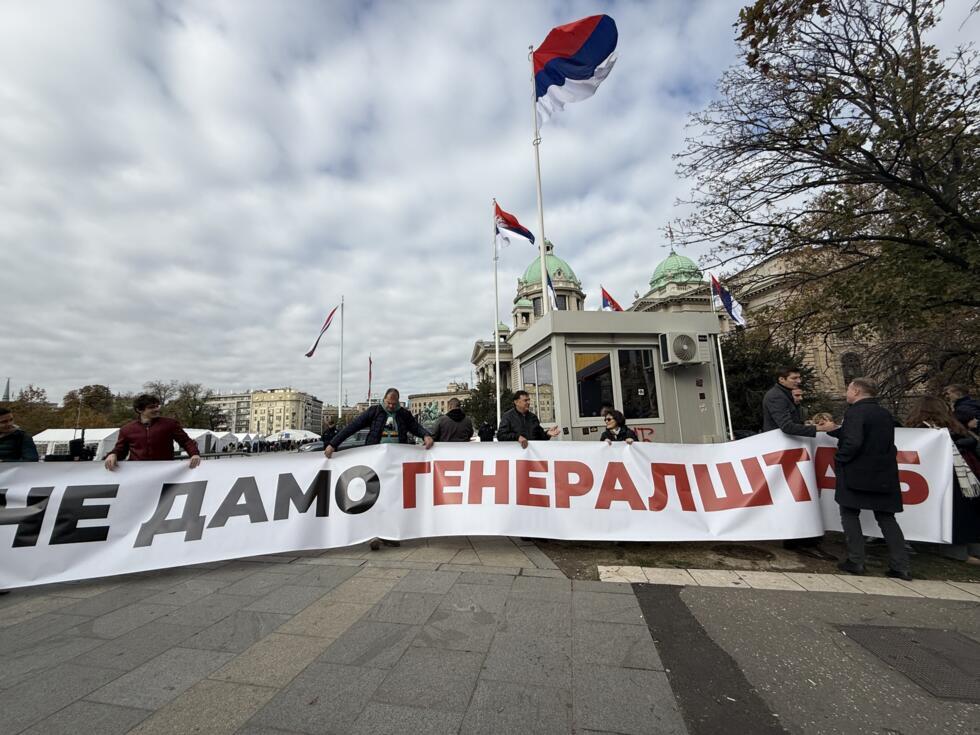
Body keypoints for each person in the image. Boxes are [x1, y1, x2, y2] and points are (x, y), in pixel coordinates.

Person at [819, 378, 911, 580]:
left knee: (850, 514)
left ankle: (856, 560)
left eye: (849, 389)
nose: (847, 392)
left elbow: (853, 440)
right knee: (886, 518)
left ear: (857, 391)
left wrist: (840, 459)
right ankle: (900, 565)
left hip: (856, 471)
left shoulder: (855, 412)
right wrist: (834, 429)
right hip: (883, 473)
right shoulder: (883, 413)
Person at [324, 388, 433, 551]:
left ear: (398, 402)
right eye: (388, 403)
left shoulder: (403, 414)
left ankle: (389, 534)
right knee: (374, 495)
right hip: (375, 461)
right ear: (384, 400)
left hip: (396, 461)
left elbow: (415, 427)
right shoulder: (374, 411)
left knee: (393, 497)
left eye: (394, 404)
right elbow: (353, 427)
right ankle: (373, 534)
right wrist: (333, 444)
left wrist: (426, 435)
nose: (390, 406)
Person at [762, 367, 833, 558]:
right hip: (784, 452)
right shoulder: (777, 397)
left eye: (799, 377)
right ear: (782, 379)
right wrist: (817, 429)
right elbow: (786, 426)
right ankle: (799, 538)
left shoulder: (785, 395)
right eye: (794, 378)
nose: (798, 381)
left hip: (790, 451)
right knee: (794, 494)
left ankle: (799, 538)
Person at [905, 396, 980, 564]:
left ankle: (958, 551)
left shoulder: (920, 428)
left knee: (952, 512)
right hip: (962, 475)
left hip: (938, 476)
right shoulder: (953, 426)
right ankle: (970, 548)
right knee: (965, 511)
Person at [104, 394, 201, 471]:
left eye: (157, 406)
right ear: (139, 410)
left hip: (164, 471)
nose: (156, 409)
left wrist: (194, 454)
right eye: (151, 407)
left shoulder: (170, 424)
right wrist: (113, 454)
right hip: (136, 472)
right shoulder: (127, 429)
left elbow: (186, 441)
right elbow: (121, 449)